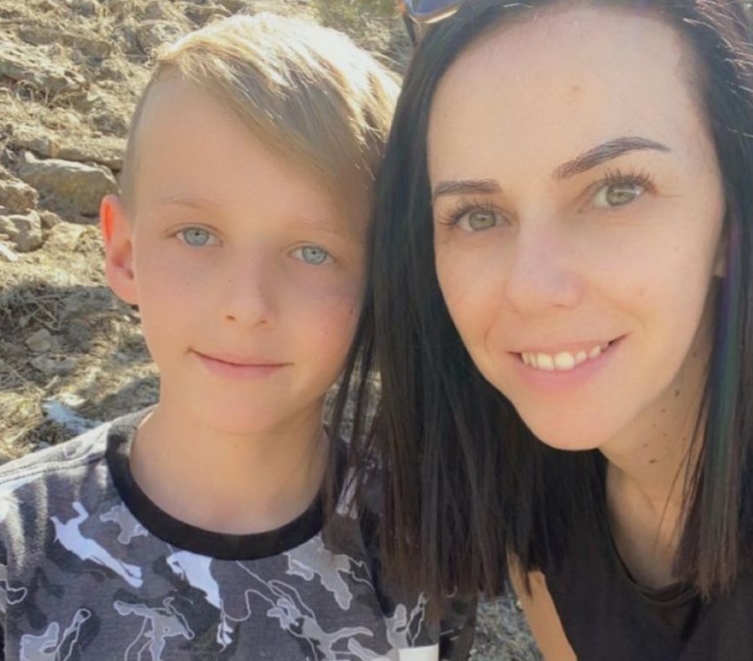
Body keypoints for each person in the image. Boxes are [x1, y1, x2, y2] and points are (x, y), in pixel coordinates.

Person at [0, 13, 472, 660]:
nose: (246, 306)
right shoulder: (15, 550)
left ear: (379, 281)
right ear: (124, 252)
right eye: (196, 235)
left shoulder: (421, 551)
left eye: (312, 252)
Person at [337, 0, 753, 658]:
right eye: (478, 215)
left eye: (617, 191)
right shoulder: (530, 485)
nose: (531, 288)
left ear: (734, 219)